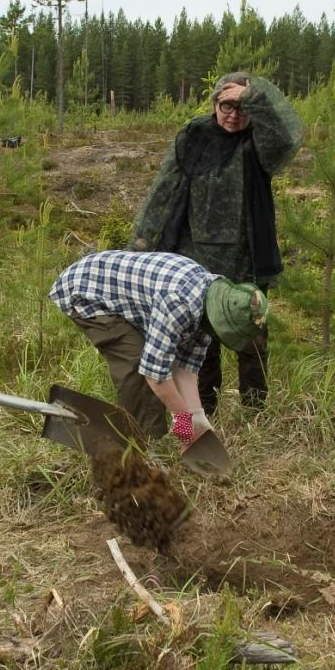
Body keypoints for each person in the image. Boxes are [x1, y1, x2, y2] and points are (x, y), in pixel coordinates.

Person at [132, 72, 302, 414]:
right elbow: (164, 190)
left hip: (247, 259)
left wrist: (256, 97)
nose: (234, 114)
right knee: (201, 344)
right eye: (227, 105)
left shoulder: (258, 143)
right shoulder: (193, 137)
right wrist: (141, 241)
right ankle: (202, 414)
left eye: (243, 107)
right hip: (195, 260)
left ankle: (254, 412)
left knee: (251, 338)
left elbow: (286, 140)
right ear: (214, 104)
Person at [49, 249, 268, 450]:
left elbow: (185, 370)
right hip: (87, 291)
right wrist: (185, 429)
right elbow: (156, 375)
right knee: (136, 362)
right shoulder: (179, 303)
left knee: (151, 359)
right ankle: (136, 445)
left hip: (125, 297)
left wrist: (198, 419)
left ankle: (146, 438)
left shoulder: (208, 309)